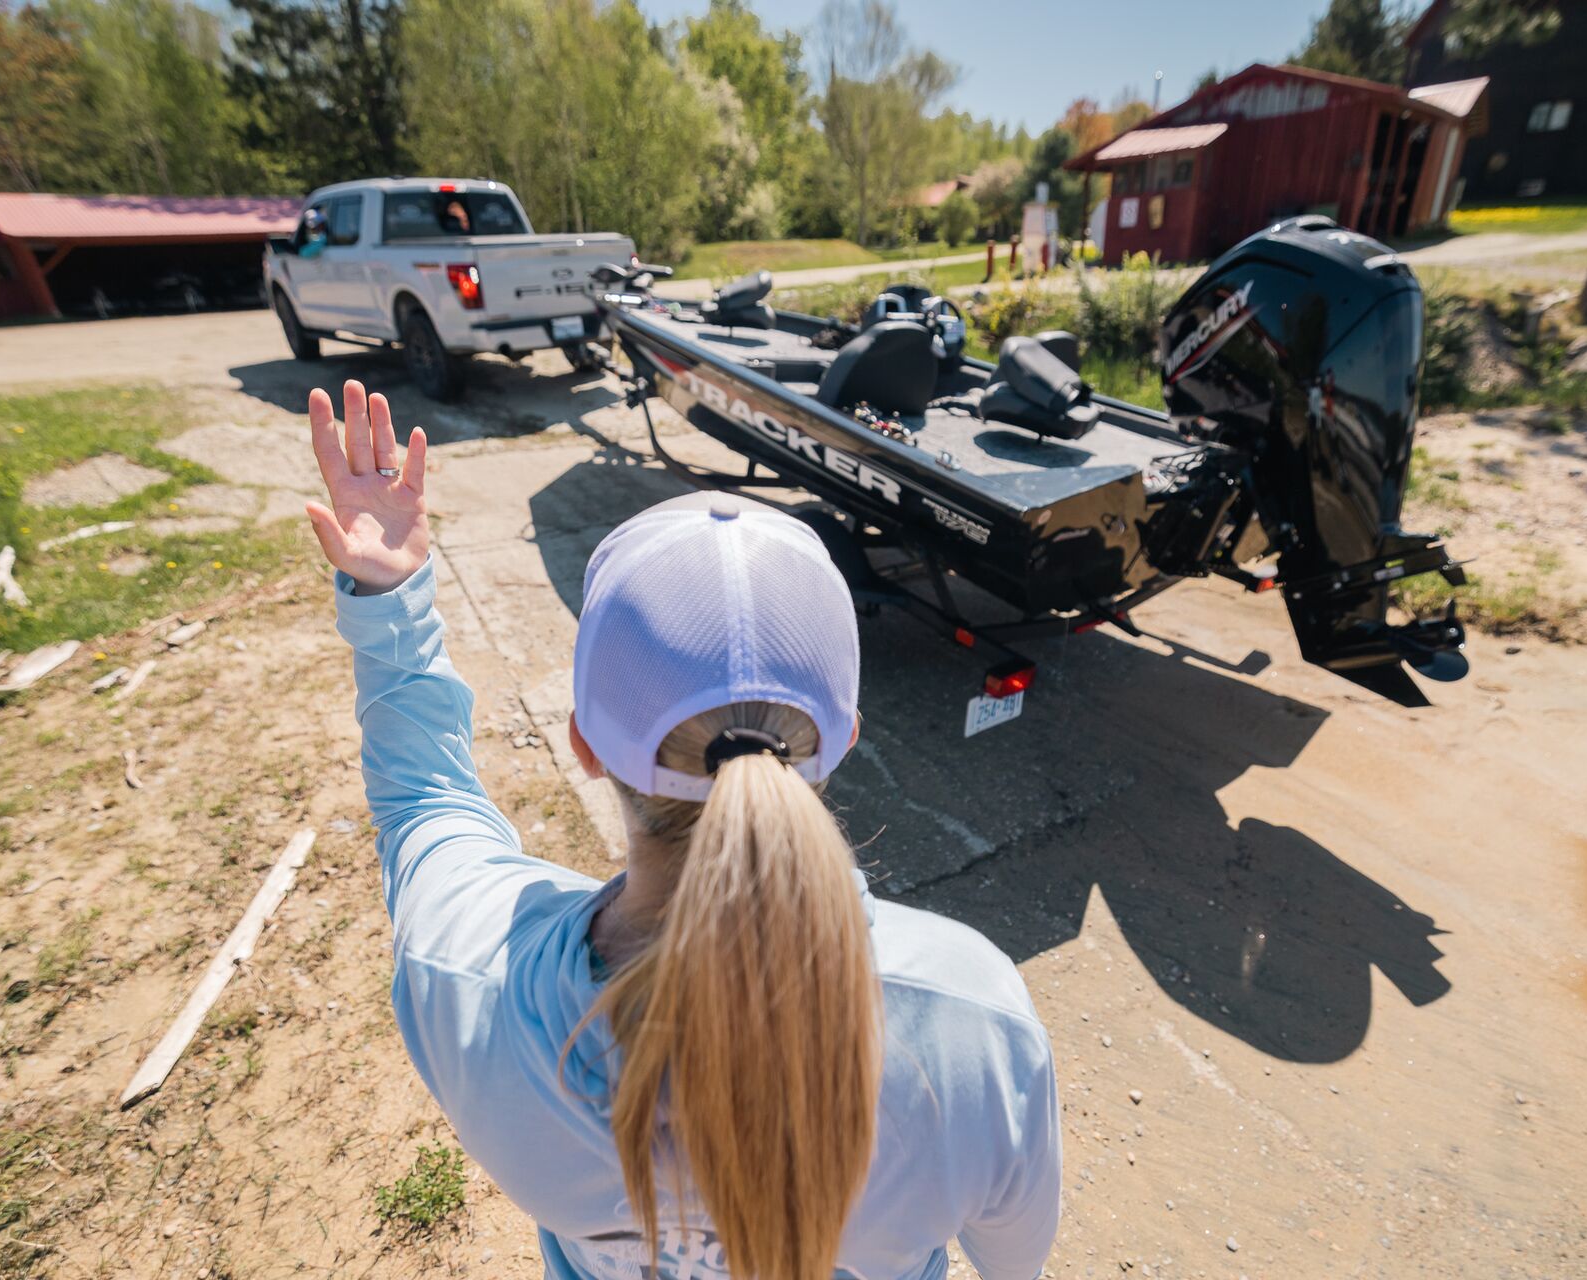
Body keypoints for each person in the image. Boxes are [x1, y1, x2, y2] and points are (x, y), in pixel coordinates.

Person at [304, 380, 1061, 1280]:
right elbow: (1015, 1262)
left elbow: (422, 803)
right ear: (842, 741)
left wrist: (391, 599)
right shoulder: (973, 1020)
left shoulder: (466, 973)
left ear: (585, 743)